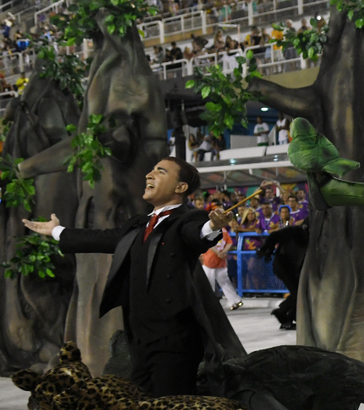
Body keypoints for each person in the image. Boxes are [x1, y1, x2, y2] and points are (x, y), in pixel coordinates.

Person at [22, 157, 235, 397]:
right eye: (151, 169)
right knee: (141, 409)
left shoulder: (189, 219)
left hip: (174, 337)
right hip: (138, 336)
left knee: (169, 409)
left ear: (180, 187)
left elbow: (197, 234)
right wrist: (57, 231)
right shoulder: (137, 225)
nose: (149, 175)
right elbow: (102, 238)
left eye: (160, 171)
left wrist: (212, 227)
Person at [201, 226, 244, 311]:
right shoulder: (223, 230)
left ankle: (209, 305)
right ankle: (236, 301)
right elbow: (229, 243)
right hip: (220, 261)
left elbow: (207, 244)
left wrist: (218, 253)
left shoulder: (210, 228)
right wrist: (223, 253)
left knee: (209, 284)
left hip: (209, 261)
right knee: (225, 283)